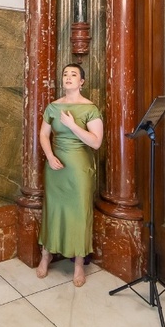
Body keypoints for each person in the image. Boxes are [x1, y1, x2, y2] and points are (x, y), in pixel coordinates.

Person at [36, 63, 104, 287]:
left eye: (73, 74)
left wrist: (72, 125)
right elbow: (44, 134)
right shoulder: (53, 106)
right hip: (55, 168)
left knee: (79, 213)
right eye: (65, 74)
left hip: (79, 170)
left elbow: (95, 142)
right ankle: (46, 256)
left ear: (82, 81)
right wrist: (49, 155)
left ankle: (78, 264)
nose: (68, 77)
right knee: (53, 210)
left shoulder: (90, 108)